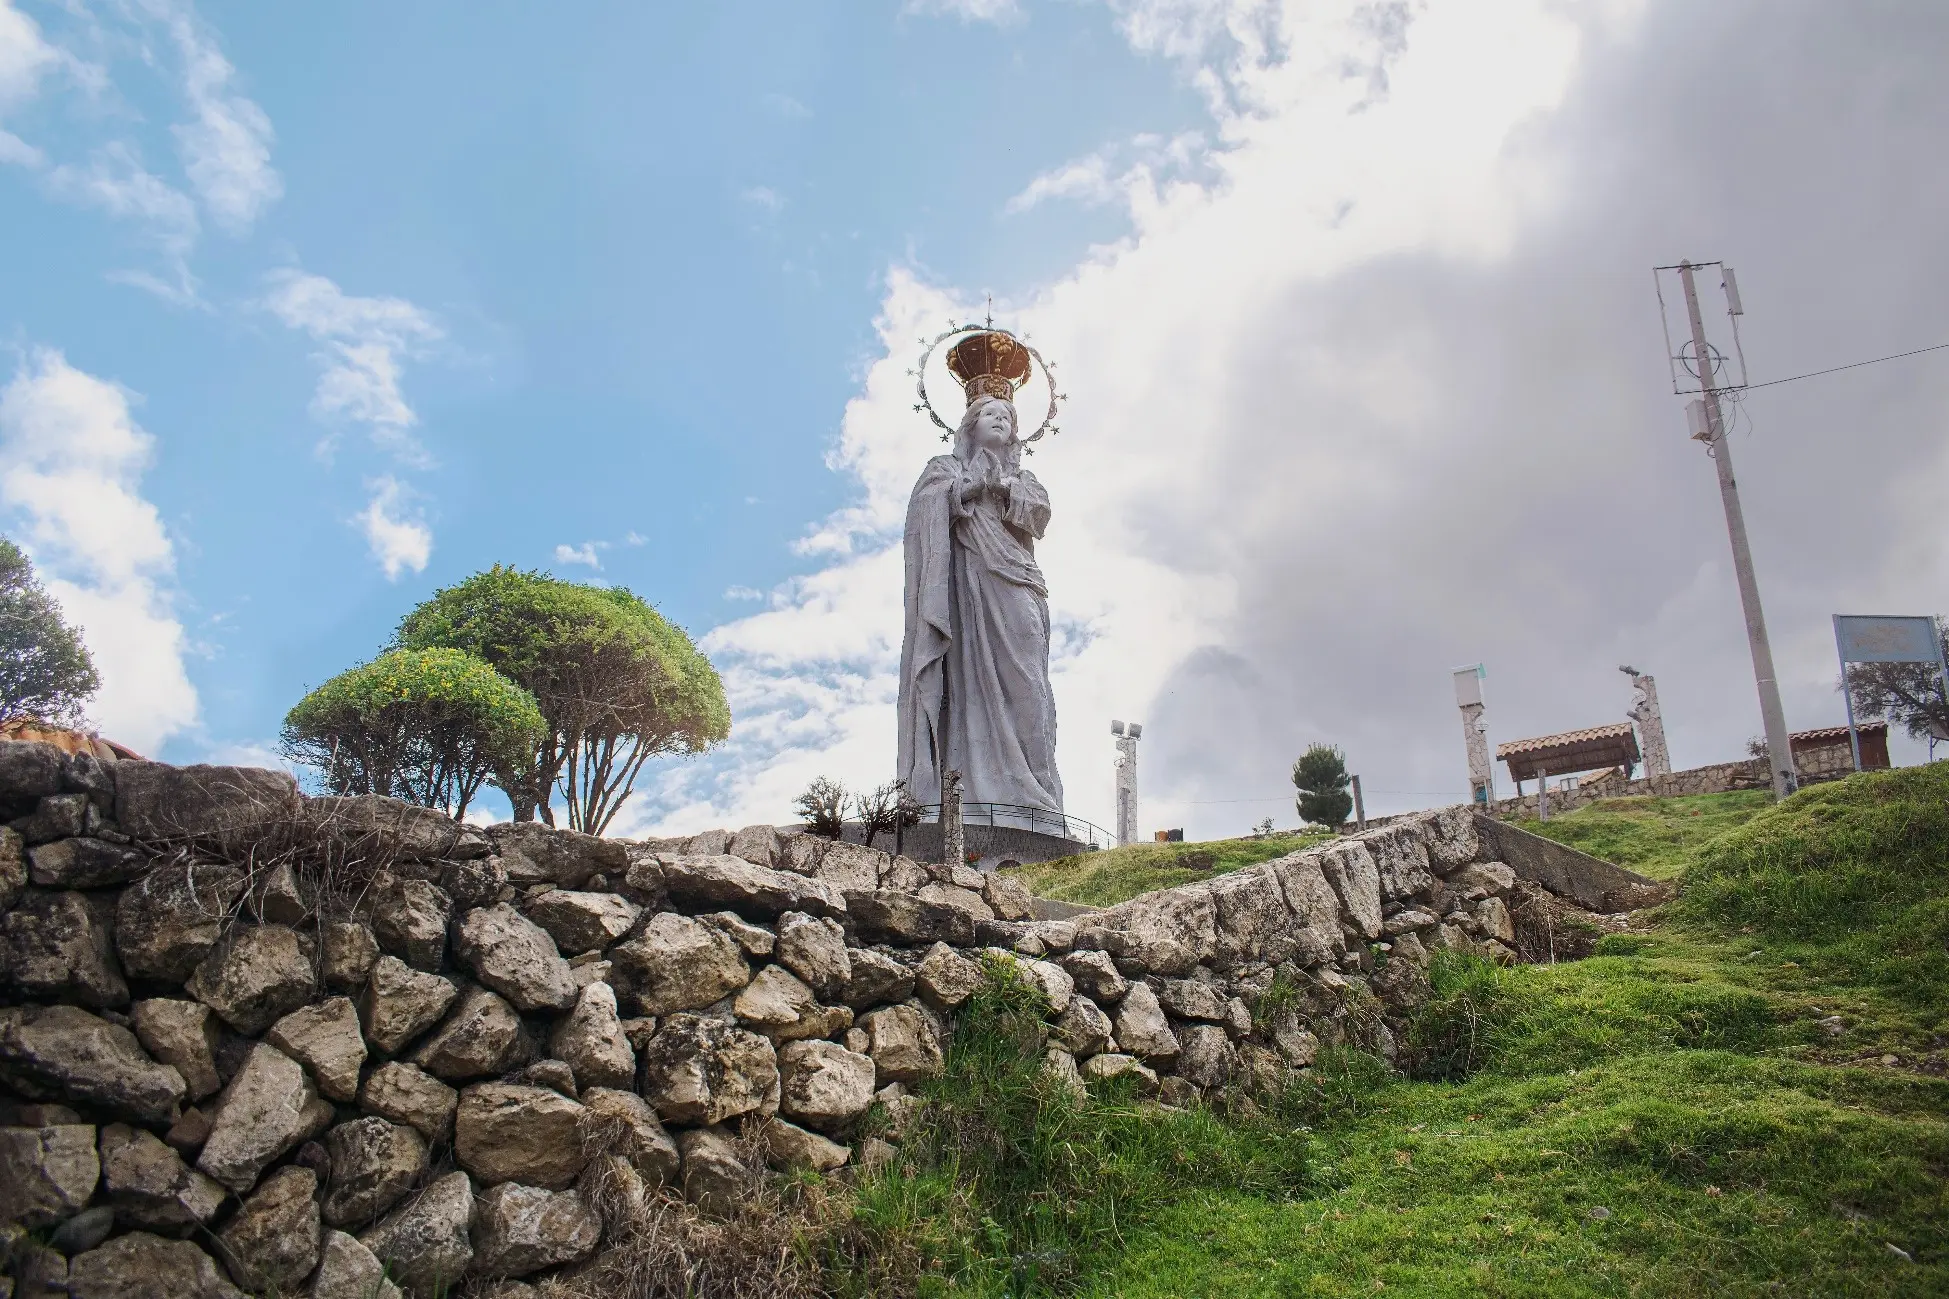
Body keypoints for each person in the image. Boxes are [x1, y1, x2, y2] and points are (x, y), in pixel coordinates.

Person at [896, 392, 1064, 819]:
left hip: (1016, 582)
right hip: (963, 591)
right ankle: (968, 794)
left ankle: (1037, 797)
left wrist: (1003, 488)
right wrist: (963, 491)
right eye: (989, 414)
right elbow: (922, 513)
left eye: (1006, 416)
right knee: (965, 685)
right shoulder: (943, 470)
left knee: (1029, 685)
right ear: (970, 425)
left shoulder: (1023, 479)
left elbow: (1040, 515)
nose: (999, 420)